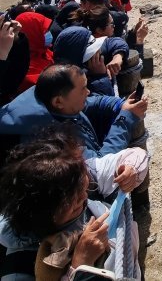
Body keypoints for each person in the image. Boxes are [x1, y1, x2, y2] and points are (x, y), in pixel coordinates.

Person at [0, 124, 147, 280]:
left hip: (127, 264)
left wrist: (131, 169)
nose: (85, 197)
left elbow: (136, 155)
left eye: (85, 188)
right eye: (76, 201)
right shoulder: (18, 270)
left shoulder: (74, 175)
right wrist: (80, 264)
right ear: (45, 214)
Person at [0, 63, 147, 161]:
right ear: (58, 101)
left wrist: (119, 104)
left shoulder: (51, 102)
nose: (88, 92)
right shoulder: (51, 141)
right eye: (83, 88)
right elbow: (100, 163)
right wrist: (126, 118)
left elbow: (93, 103)